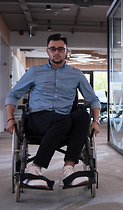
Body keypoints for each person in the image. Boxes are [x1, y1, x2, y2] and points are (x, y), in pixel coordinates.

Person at [5, 33, 101, 188]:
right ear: (47, 51)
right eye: (53, 49)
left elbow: (93, 100)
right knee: (63, 119)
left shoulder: (76, 74)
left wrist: (95, 121)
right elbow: (13, 94)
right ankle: (35, 170)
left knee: (83, 115)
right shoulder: (35, 72)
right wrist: (10, 118)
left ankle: (68, 170)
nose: (57, 52)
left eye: (60, 49)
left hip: (64, 121)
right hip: (37, 119)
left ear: (66, 51)